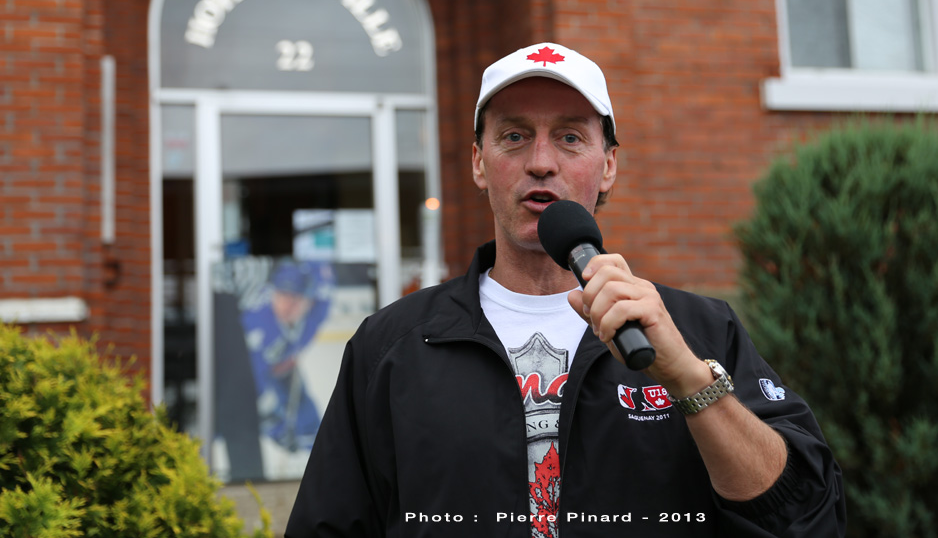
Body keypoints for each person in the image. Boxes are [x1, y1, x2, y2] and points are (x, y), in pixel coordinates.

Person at [286, 43, 846, 537]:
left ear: (607, 167)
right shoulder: (393, 346)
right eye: (514, 136)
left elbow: (803, 517)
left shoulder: (700, 331)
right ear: (480, 164)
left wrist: (689, 380)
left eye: (570, 137)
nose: (541, 163)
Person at [241, 258, 334, 454]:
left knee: (302, 405)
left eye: (296, 297)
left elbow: (325, 272)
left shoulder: (317, 311)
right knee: (265, 410)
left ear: (309, 301)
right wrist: (274, 425)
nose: (288, 305)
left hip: (283, 361)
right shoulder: (255, 324)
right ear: (272, 292)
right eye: (283, 294)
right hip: (255, 372)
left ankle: (314, 441)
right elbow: (253, 379)